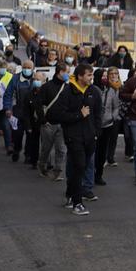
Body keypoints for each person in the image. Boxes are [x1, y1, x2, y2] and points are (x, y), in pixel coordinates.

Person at [47, 64, 102, 216]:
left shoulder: (94, 92)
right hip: (73, 137)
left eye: (92, 75)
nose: (91, 78)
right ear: (79, 76)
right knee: (79, 166)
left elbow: (98, 114)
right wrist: (78, 115)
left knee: (79, 168)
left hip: (90, 137)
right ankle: (78, 203)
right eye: (88, 75)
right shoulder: (67, 92)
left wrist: (97, 133)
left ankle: (70, 194)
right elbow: (55, 115)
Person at [92, 66, 124, 188]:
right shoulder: (92, 90)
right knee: (92, 151)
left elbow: (116, 106)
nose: (106, 78)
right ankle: (90, 173)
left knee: (102, 152)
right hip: (94, 126)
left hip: (107, 125)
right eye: (103, 76)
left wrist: (113, 117)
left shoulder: (111, 90)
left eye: (106, 76)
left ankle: (99, 175)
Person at [36, 64, 69, 180]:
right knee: (46, 148)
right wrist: (43, 120)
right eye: (66, 72)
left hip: (63, 124)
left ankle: (58, 171)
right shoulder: (47, 87)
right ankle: (42, 166)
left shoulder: (68, 87)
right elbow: (38, 104)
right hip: (49, 124)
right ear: (59, 72)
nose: (67, 75)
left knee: (61, 149)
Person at [1, 60, 37, 163]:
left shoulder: (36, 78)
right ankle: (17, 149)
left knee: (30, 135)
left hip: (31, 112)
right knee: (17, 134)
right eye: (25, 67)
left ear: (33, 68)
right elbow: (8, 94)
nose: (27, 69)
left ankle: (28, 155)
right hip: (18, 110)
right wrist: (8, 108)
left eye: (29, 67)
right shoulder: (15, 79)